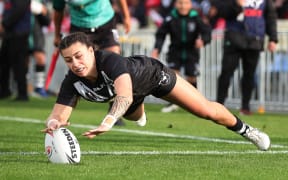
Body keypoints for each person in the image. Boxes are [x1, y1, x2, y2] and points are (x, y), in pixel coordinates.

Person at [43, 32, 271, 151]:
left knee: (205, 111)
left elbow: (123, 95)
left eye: (79, 55)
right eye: (68, 59)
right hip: (132, 94)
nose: (75, 63)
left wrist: (109, 120)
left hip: (153, 76)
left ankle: (247, 130)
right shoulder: (72, 81)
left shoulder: (109, 61)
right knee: (134, 115)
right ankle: (140, 112)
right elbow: (60, 114)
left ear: (92, 51)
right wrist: (54, 124)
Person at [52, 0, 131, 125]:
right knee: (77, 66)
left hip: (105, 22)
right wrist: (57, 34)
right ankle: (65, 111)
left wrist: (126, 17)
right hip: (79, 26)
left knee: (113, 58)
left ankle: (115, 110)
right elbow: (58, 10)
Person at [211, 0, 278, 115]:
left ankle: (245, 107)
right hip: (233, 40)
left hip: (254, 41)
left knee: (249, 75)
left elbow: (270, 18)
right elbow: (222, 13)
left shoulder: (265, 2)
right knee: (226, 73)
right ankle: (219, 104)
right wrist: (237, 5)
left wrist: (273, 38)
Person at [152, 0, 211, 113]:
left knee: (192, 77)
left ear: (190, 5)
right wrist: (157, 48)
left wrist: (203, 40)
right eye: (180, 3)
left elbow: (206, 32)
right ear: (176, 4)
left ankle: (196, 104)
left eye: (185, 3)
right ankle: (173, 103)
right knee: (173, 76)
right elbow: (161, 34)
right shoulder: (170, 17)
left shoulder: (196, 17)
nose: (183, 6)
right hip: (175, 50)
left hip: (191, 51)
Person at [0, 0, 31, 101]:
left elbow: (18, 10)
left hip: (19, 33)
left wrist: (4, 24)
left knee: (19, 64)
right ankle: (4, 91)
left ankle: (22, 93)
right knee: (3, 63)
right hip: (10, 33)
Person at [29, 0, 51, 98]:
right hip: (21, 34)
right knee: (23, 62)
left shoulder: (40, 2)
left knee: (40, 59)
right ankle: (24, 87)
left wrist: (43, 12)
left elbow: (47, 22)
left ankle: (39, 87)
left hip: (36, 35)